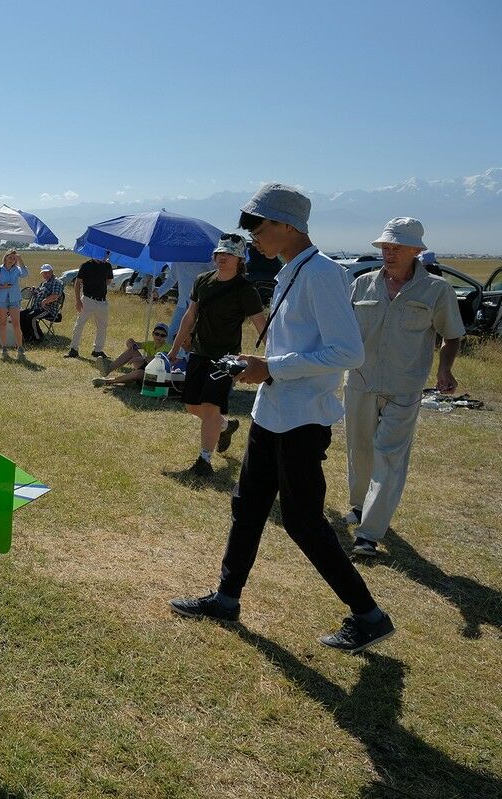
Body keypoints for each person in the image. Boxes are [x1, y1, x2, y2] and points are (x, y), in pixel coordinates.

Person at [170, 183, 394, 655]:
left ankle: (369, 616)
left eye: (258, 226)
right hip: (272, 412)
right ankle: (227, 599)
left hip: (302, 420)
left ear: (287, 226)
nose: (252, 237)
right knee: (247, 507)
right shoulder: (292, 269)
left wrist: (272, 366)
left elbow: (348, 352)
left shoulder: (322, 273)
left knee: (303, 522)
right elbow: (296, 344)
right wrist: (257, 365)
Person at [344, 218, 464, 557]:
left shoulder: (437, 290)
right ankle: (359, 505)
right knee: (360, 450)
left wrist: (445, 369)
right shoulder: (362, 284)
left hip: (404, 387)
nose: (389, 252)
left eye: (397, 247)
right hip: (360, 382)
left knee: (389, 456)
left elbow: (452, 335)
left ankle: (368, 534)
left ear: (416, 251)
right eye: (385, 246)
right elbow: (343, 332)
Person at [167, 234, 266, 477]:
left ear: (240, 260)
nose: (223, 257)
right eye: (220, 253)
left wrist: (273, 360)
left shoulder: (245, 289)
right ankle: (225, 426)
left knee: (211, 407)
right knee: (192, 406)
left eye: (229, 254)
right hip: (199, 352)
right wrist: (175, 348)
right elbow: (190, 316)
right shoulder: (202, 281)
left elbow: (260, 324)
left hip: (226, 359)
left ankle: (204, 461)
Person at [65, 252, 113, 359]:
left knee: (102, 327)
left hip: (102, 302)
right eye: (106, 253)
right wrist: (78, 300)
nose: (107, 255)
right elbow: (77, 283)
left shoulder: (108, 266)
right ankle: (73, 349)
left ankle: (98, 351)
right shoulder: (86, 265)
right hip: (87, 300)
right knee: (79, 324)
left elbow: (109, 281)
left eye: (108, 254)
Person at [93, 322, 171, 386]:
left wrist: (142, 358)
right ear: (153, 334)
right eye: (157, 334)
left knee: (138, 373)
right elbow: (134, 344)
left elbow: (159, 360)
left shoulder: (167, 347)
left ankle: (108, 381)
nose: (159, 337)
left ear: (166, 337)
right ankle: (108, 369)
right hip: (147, 369)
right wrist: (131, 344)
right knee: (132, 350)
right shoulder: (150, 344)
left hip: (156, 376)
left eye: (162, 335)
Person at [154, 260, 212, 340]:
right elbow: (172, 279)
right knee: (171, 336)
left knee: (197, 338)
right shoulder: (177, 259)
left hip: (202, 307)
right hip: (182, 305)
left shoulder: (205, 257)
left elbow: (216, 276)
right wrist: (158, 293)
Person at [0, 248, 27, 358]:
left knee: (16, 324)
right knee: (2, 323)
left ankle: (20, 348)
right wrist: (3, 286)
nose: (11, 260)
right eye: (10, 257)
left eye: (14, 258)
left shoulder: (17, 269)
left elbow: (25, 274)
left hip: (14, 299)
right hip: (1, 299)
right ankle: (4, 348)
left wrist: (20, 259)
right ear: (5, 258)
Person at [19, 264, 64, 343]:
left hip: (48, 309)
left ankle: (36, 339)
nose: (45, 274)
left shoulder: (56, 282)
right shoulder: (43, 283)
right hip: (37, 308)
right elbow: (38, 293)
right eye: (43, 273)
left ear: (52, 272)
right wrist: (34, 291)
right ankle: (27, 336)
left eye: (47, 272)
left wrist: (44, 301)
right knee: (21, 315)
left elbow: (55, 295)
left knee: (31, 317)